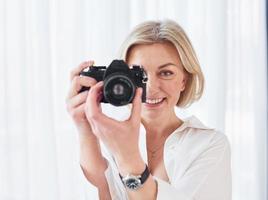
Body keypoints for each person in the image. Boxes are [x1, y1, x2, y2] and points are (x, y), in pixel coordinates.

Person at [66, 19, 232, 200]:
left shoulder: (209, 145)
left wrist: (129, 158)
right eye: (139, 74)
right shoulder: (107, 135)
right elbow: (101, 189)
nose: (151, 88)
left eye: (166, 73)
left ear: (184, 80)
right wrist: (85, 128)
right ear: (120, 77)